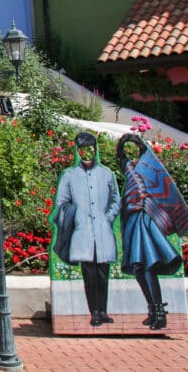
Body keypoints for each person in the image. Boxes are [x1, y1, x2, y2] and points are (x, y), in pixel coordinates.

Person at [116, 133, 188, 330]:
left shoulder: (146, 168)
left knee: (146, 264)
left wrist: (134, 143)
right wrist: (124, 143)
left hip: (144, 218)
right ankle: (154, 310)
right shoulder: (131, 170)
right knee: (139, 267)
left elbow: (138, 156)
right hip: (134, 218)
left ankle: (158, 312)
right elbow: (122, 159)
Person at [53, 131, 120, 327]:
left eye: (90, 149)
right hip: (82, 231)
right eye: (82, 150)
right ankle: (95, 312)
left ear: (95, 149)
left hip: (103, 229)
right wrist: (76, 215)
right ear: (78, 152)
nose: (87, 153)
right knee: (89, 274)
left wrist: (107, 217)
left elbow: (116, 199)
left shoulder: (107, 174)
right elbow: (62, 201)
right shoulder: (70, 175)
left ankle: (104, 310)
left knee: (102, 273)